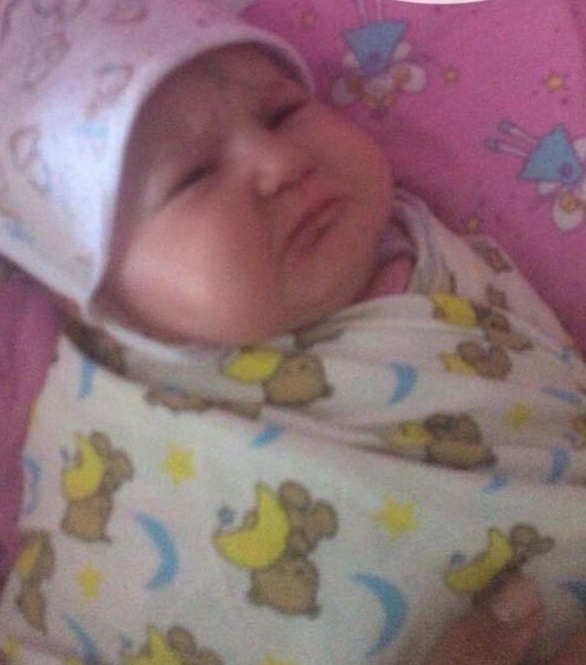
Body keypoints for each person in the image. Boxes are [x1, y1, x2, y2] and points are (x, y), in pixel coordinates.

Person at [0, 1, 585, 663]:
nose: (280, 160)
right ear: (100, 299)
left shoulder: (428, 249)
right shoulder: (107, 406)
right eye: (192, 176)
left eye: (282, 112)